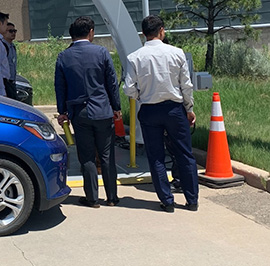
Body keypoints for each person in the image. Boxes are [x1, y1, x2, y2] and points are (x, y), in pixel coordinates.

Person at [124, 15, 199, 213]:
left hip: (149, 109)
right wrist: (189, 109)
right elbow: (186, 85)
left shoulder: (135, 57)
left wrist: (140, 96)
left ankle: (167, 201)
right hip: (174, 108)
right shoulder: (177, 53)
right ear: (162, 31)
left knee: (156, 156)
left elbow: (128, 88)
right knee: (185, 153)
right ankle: (192, 200)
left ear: (143, 34)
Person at [55, 16, 121, 208]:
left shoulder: (63, 56)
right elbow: (112, 83)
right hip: (102, 110)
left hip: (79, 112)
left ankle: (92, 198)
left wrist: (62, 111)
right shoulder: (101, 52)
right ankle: (112, 197)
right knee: (107, 154)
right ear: (91, 32)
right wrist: (116, 107)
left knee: (87, 156)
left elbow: (60, 86)